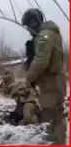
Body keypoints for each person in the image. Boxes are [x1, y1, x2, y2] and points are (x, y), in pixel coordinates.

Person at [21, 8, 66, 144]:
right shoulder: (49, 33)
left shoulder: (44, 35)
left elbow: (41, 60)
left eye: (30, 24)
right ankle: (56, 136)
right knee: (54, 112)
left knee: (53, 113)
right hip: (53, 80)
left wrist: (28, 79)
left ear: (35, 22)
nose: (29, 28)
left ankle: (58, 141)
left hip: (51, 81)